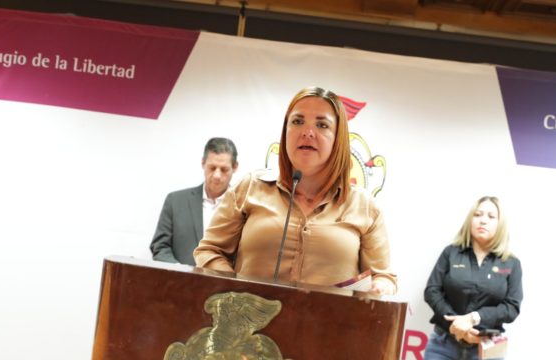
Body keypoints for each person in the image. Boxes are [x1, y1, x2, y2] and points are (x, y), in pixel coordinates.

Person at [194, 86, 396, 294]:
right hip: (250, 314)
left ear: (338, 139)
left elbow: (383, 277)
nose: (307, 132)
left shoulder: (364, 205)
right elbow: (210, 250)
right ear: (285, 131)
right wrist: (234, 288)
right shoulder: (251, 187)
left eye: (322, 125)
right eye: (298, 121)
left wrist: (379, 287)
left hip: (328, 316)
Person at [415, 196, 523, 360]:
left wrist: (473, 318)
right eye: (478, 214)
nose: (483, 220)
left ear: (500, 224)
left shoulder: (511, 263)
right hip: (443, 347)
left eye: (490, 216)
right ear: (470, 219)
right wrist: (455, 323)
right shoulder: (451, 253)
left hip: (485, 354)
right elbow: (432, 291)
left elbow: (511, 307)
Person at [150, 137, 239, 265]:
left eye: (224, 169)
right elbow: (160, 247)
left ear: (235, 167)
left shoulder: (243, 208)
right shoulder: (175, 201)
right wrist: (179, 271)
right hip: (178, 277)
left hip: (224, 278)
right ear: (203, 163)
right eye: (212, 168)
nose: (217, 175)